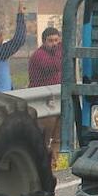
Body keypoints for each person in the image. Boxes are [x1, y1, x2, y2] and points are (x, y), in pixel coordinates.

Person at [29, 26, 64, 168]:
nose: (54, 44)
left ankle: (59, 164)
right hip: (44, 101)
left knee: (59, 137)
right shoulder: (39, 55)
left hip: (58, 98)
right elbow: (53, 65)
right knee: (44, 137)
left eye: (57, 40)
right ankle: (40, 165)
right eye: (50, 41)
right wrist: (62, 49)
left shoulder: (58, 52)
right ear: (44, 42)